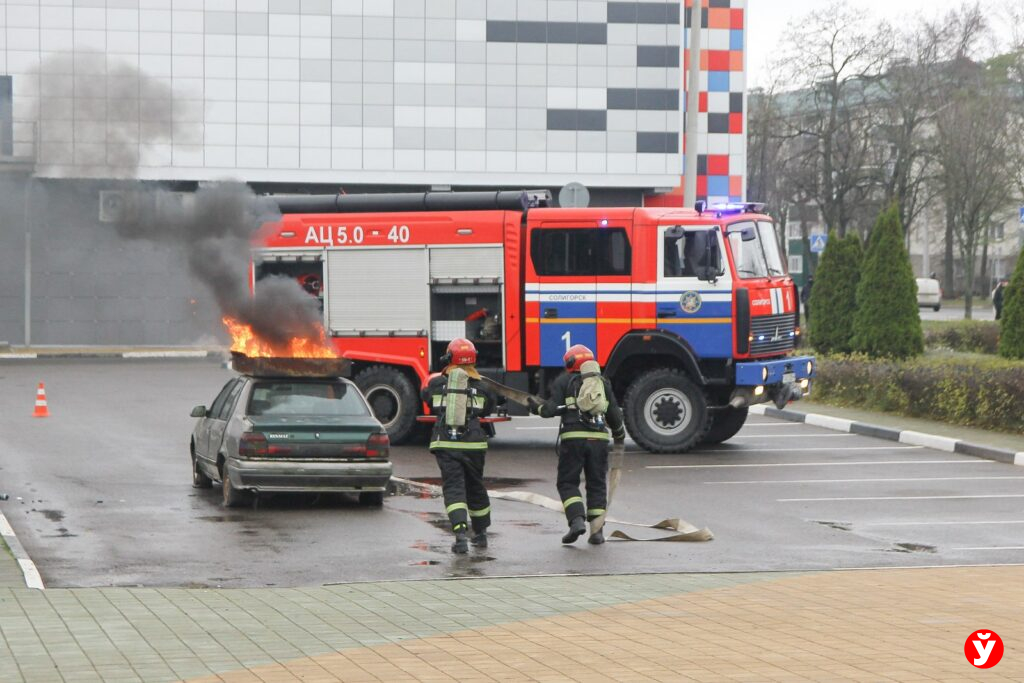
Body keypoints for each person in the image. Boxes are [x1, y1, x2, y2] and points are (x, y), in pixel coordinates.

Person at [529, 344, 626, 546]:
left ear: (570, 362)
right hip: (599, 440)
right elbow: (614, 414)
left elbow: (549, 410)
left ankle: (576, 521)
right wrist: (619, 435)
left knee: (567, 482)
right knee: (597, 483)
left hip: (573, 438)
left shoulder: (563, 380)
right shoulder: (603, 383)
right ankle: (597, 532)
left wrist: (535, 406)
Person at [422, 338, 497, 554]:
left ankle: (461, 536)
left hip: (446, 443)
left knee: (454, 487)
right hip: (474, 444)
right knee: (475, 486)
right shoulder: (482, 386)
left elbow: (427, 398)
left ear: (449, 357)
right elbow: (489, 406)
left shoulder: (437, 384)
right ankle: (481, 535)